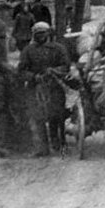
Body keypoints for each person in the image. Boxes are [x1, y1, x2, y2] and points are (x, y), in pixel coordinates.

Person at [17, 21, 71, 156]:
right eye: (37, 34)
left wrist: (54, 70)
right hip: (35, 88)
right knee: (37, 117)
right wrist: (34, 77)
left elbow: (66, 66)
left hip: (55, 85)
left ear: (49, 33)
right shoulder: (28, 50)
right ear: (34, 35)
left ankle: (58, 142)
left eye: (43, 33)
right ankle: (42, 147)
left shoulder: (58, 48)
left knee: (57, 115)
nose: (41, 36)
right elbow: (21, 71)